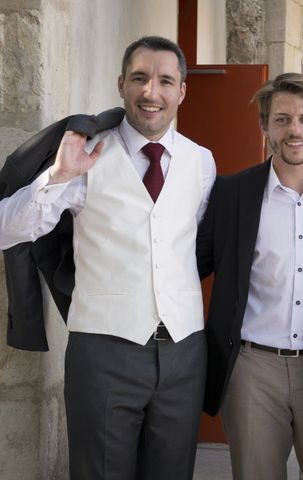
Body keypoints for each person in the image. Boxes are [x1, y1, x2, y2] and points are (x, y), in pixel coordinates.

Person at [0, 36, 215, 480]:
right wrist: (59, 176)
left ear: (182, 91)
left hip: (184, 353)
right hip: (103, 353)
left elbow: (185, 244)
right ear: (121, 84)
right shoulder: (86, 155)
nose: (151, 92)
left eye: (164, 81)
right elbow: (8, 228)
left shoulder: (202, 162)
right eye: (139, 78)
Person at [195, 72, 303, 480]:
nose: (295, 130)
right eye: (282, 119)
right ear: (264, 126)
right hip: (252, 370)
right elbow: (189, 268)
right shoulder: (231, 193)